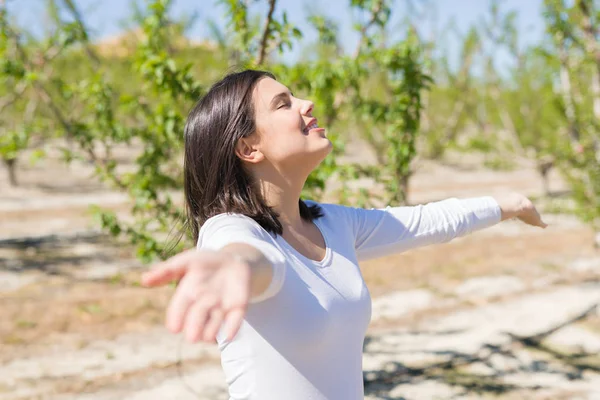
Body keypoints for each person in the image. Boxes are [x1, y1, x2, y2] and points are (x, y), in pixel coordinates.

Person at [141, 69, 547, 400]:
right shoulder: (232, 230)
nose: (306, 104)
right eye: (284, 103)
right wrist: (232, 266)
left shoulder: (332, 224)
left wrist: (506, 204)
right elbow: (253, 259)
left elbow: (424, 222)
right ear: (249, 148)